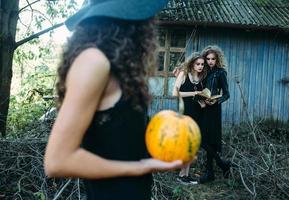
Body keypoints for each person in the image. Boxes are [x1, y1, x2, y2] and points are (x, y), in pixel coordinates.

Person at [43, 1, 184, 199]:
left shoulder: (119, 67)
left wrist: (169, 149)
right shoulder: (93, 61)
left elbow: (118, 144)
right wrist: (138, 168)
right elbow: (58, 161)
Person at [172, 52, 207, 185]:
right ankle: (181, 175)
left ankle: (186, 174)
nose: (200, 66)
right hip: (185, 114)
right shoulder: (183, 74)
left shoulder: (201, 77)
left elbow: (197, 97)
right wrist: (195, 93)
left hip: (198, 114)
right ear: (192, 63)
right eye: (198, 64)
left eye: (202, 64)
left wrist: (202, 101)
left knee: (192, 146)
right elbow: (175, 93)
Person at [199, 45, 231, 184]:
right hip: (203, 108)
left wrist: (216, 101)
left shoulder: (221, 72)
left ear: (217, 59)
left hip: (213, 109)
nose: (210, 61)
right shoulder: (204, 72)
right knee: (204, 140)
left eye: (213, 58)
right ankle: (220, 166)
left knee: (207, 141)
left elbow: (227, 94)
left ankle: (214, 169)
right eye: (208, 59)